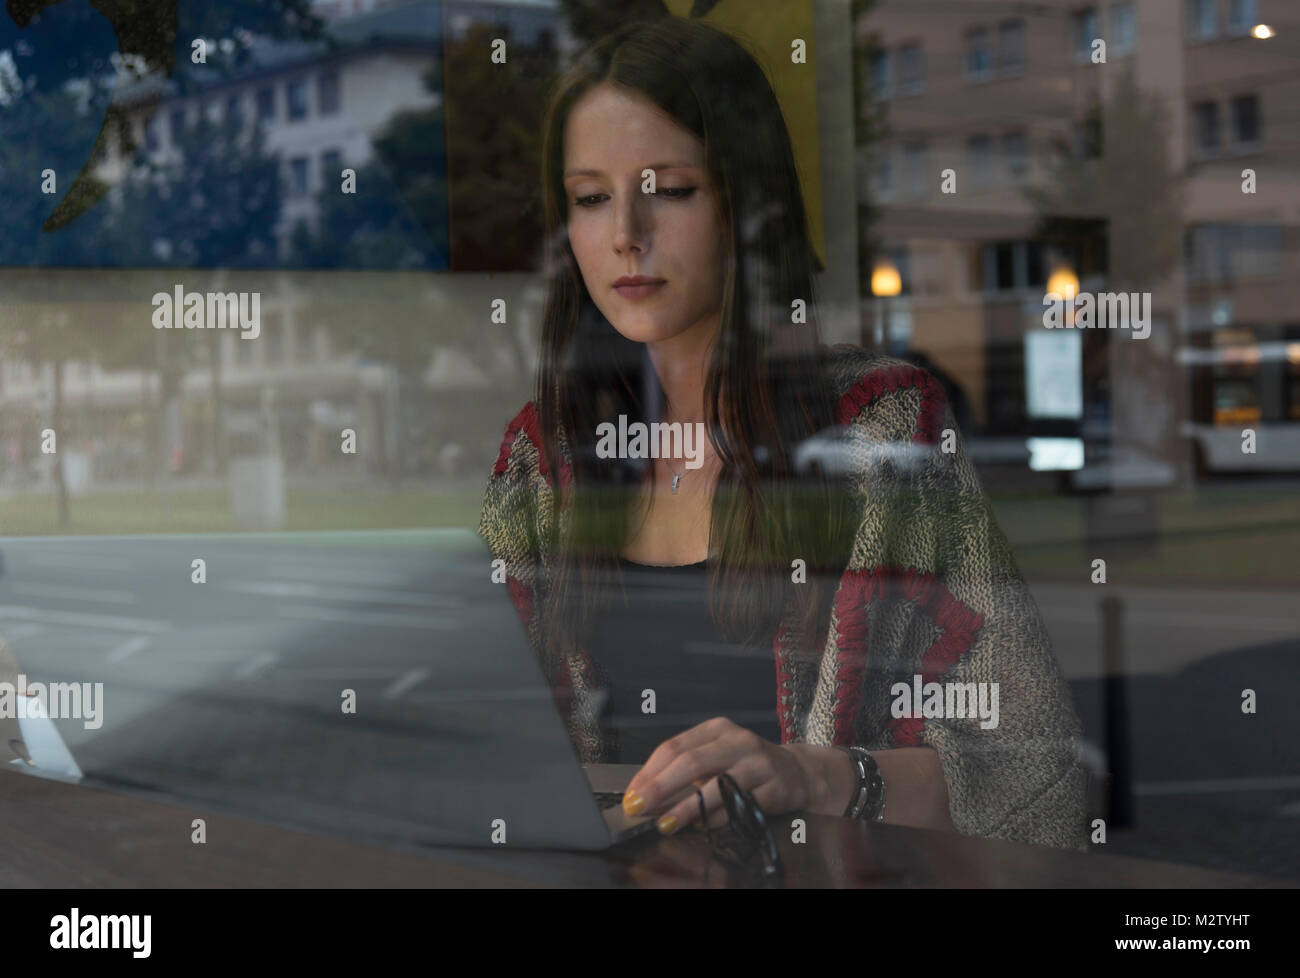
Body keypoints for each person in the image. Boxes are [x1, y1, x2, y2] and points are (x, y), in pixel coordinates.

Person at [478, 17, 1086, 850]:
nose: (626, 230)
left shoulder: (882, 434)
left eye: (671, 188)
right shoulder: (538, 460)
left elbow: (1028, 766)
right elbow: (471, 742)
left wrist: (814, 775)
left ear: (748, 205)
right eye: (590, 198)